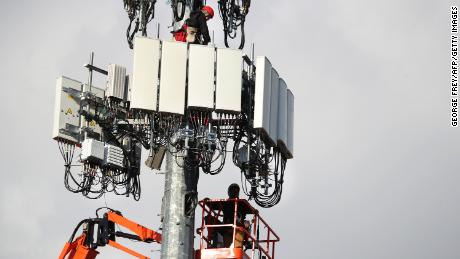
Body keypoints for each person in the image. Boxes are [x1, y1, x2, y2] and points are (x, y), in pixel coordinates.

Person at [222, 183, 246, 248]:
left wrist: (255, 210)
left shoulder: (242, 203)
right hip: (227, 227)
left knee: (236, 248)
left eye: (236, 190)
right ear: (229, 192)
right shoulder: (225, 203)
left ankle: (237, 248)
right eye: (232, 190)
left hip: (238, 228)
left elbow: (251, 210)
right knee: (227, 250)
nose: (234, 192)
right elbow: (215, 205)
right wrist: (207, 200)